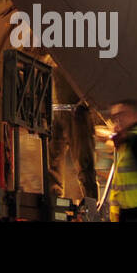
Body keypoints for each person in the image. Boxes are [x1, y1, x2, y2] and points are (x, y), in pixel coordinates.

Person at [46, 61, 97, 200]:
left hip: (76, 111)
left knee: (83, 160)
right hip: (58, 110)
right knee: (54, 159)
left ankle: (90, 203)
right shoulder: (55, 61)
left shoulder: (77, 56)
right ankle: (55, 200)